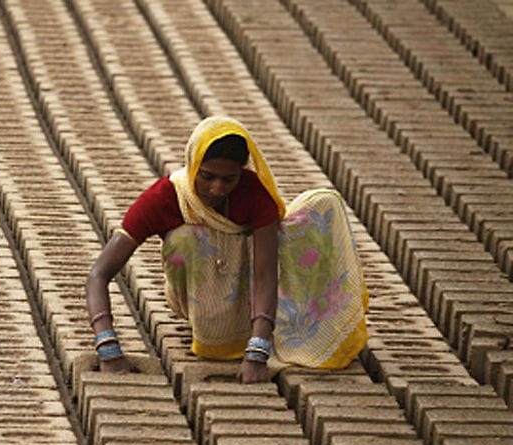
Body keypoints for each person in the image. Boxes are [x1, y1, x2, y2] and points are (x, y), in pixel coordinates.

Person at [86, 116, 368, 382]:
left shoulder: (254, 194)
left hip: (255, 290)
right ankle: (216, 330)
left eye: (228, 179)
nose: (218, 188)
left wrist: (258, 350)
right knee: (184, 240)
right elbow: (99, 274)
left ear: (241, 173)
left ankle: (263, 327)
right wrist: (107, 347)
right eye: (207, 176)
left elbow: (266, 271)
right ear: (193, 165)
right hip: (201, 289)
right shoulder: (164, 198)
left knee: (324, 202)